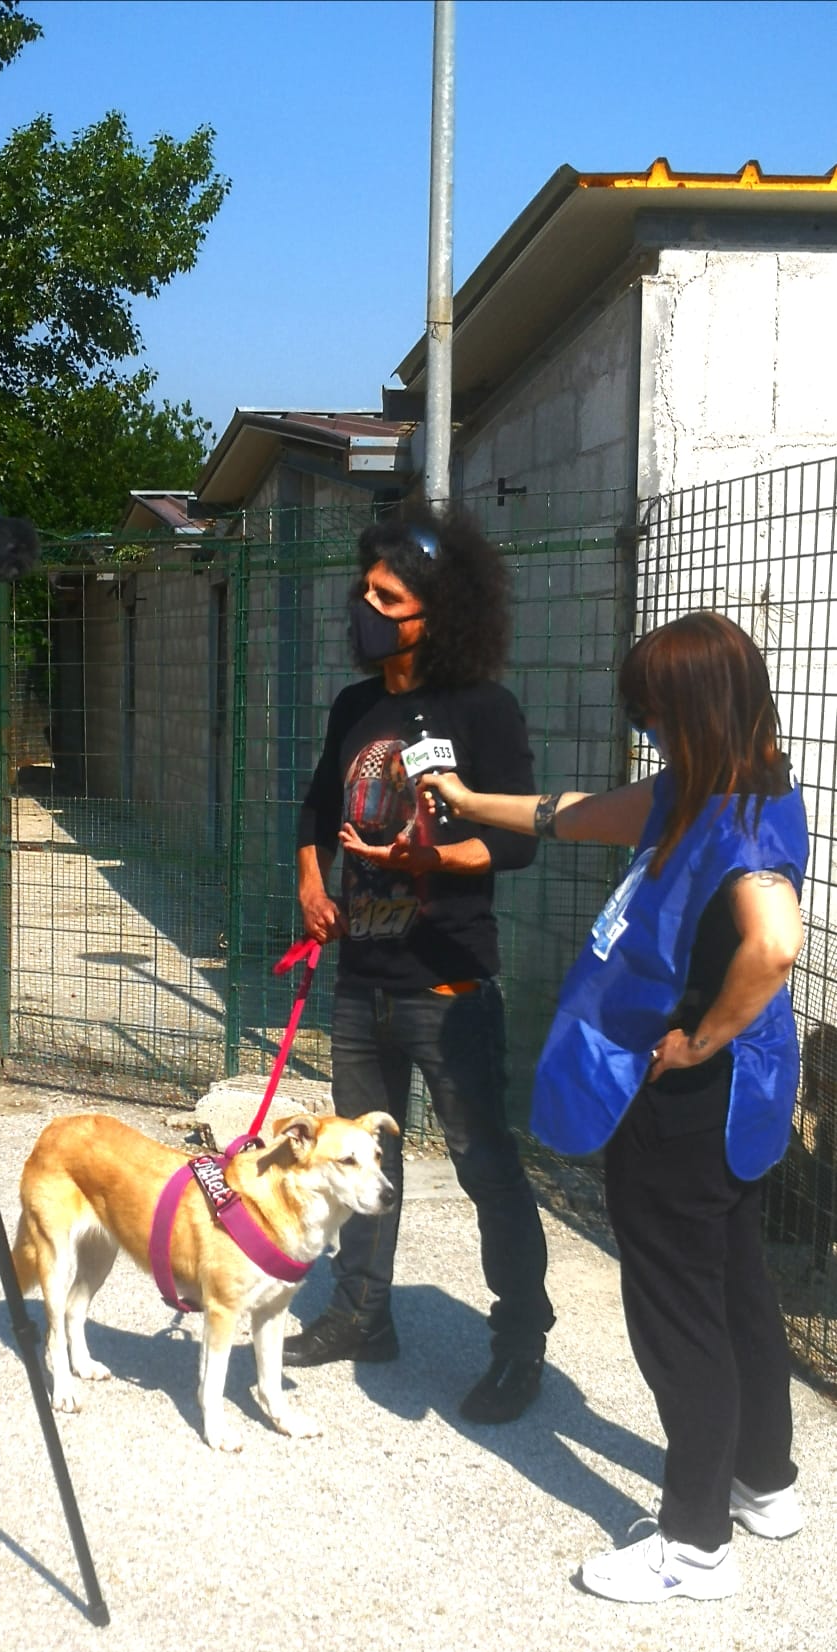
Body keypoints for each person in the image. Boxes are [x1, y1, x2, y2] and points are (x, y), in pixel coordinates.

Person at [420, 609, 807, 1603]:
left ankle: (693, 1543)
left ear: (689, 712)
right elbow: (572, 813)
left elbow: (772, 942)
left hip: (691, 1098)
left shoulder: (739, 822)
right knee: (734, 1284)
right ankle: (763, 1483)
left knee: (676, 1311)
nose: (643, 734)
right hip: (739, 1101)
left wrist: (699, 1039)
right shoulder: (716, 788)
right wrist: (468, 799)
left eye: (650, 716)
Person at [288, 504, 555, 1424]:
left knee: (485, 1168)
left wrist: (428, 859)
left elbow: (516, 842)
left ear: (435, 614)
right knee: (359, 1161)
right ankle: (361, 1316)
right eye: (363, 590)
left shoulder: (483, 708)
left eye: (386, 598)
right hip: (360, 983)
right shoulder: (353, 707)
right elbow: (316, 809)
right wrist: (310, 886)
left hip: (447, 985)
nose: (363, 607)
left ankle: (519, 1342)